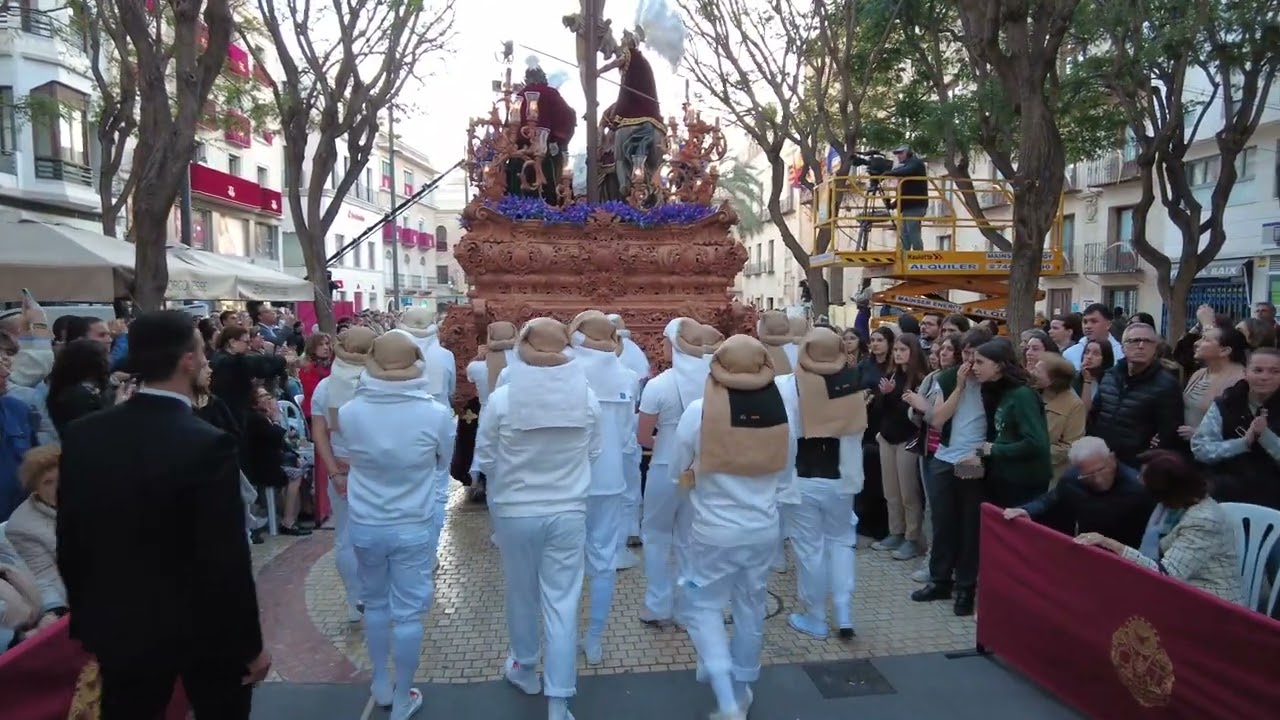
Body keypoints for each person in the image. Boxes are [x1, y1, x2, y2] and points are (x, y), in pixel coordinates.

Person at [57, 310, 269, 719]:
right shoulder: (208, 444)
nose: (208, 361)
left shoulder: (85, 434)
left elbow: (71, 536)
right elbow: (224, 558)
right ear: (187, 361)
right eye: (203, 353)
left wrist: (89, 620)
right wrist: (250, 644)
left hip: (118, 625)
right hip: (203, 631)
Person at [476, 318, 601, 720]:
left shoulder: (503, 399)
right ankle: (559, 700)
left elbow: (487, 458)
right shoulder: (586, 397)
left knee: (521, 593)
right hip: (568, 509)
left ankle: (525, 667)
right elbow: (594, 453)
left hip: (515, 510)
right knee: (563, 603)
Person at [669, 334, 797, 720]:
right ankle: (741, 690)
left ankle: (725, 694)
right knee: (750, 607)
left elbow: (679, 468)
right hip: (762, 527)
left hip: (713, 529)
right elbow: (786, 471)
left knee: (703, 606)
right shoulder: (781, 413)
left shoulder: (698, 411)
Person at [339, 331, 456, 720]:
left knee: (375, 602)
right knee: (407, 613)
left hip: (366, 521)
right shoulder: (436, 414)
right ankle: (404, 695)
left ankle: (380, 682)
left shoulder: (350, 412)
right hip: (412, 522)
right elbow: (442, 464)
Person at [776, 327, 865, 640]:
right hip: (842, 478)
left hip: (802, 480)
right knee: (841, 543)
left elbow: (783, 435)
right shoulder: (851, 384)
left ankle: (815, 616)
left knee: (809, 550)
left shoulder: (787, 386)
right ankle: (844, 612)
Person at [1075, 451, 1246, 606]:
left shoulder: (1203, 520)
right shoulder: (1172, 506)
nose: (1138, 481)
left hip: (1211, 604)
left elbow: (1166, 575)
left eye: (1144, 479)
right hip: (1180, 591)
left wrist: (1112, 545)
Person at [567, 310, 638, 664]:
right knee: (603, 560)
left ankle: (563, 635)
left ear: (577, 335)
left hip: (567, 481)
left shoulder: (563, 370)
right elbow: (626, 436)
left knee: (563, 563)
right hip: (609, 479)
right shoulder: (627, 376)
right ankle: (594, 637)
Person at [911, 327, 993, 615]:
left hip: (972, 461)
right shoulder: (947, 378)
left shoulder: (994, 382)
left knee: (969, 523)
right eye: (967, 353)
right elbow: (937, 420)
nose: (971, 361)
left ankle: (966, 587)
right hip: (944, 459)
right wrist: (958, 387)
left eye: (976, 355)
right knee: (943, 521)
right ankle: (939, 580)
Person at [636, 317, 709, 625]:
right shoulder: (715, 381)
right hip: (702, 468)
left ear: (673, 345)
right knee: (690, 539)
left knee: (655, 536)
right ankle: (688, 606)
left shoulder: (658, 385)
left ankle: (657, 605)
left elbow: (642, 436)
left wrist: (666, 442)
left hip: (665, 467)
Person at [311, 326, 377, 623]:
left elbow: (319, 434)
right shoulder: (378, 383)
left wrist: (334, 471)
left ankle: (355, 598)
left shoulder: (325, 388)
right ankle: (375, 595)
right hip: (375, 469)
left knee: (346, 538)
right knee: (377, 535)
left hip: (342, 468)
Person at [1003, 436, 1153, 550]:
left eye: (1101, 470)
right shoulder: (1073, 479)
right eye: (1089, 475)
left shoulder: (1137, 488)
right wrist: (1027, 510)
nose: (1098, 479)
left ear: (1112, 459)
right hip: (1084, 549)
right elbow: (1051, 499)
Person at [396, 308, 457, 551]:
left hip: (403, 423)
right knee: (438, 487)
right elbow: (451, 389)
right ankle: (429, 547)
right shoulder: (444, 356)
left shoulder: (392, 355)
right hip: (437, 420)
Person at [969, 338, 1053, 508]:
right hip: (999, 475)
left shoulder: (1022, 395)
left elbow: (1036, 443)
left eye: (980, 362)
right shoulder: (996, 390)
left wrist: (993, 449)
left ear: (999, 366)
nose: (974, 368)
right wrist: (980, 454)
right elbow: (999, 434)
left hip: (1023, 482)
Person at [1192, 347, 1280, 509]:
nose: (1265, 377)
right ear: (1246, 373)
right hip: (1224, 491)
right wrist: (1243, 443)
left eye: (1274, 371)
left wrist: (1265, 436)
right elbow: (1200, 449)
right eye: (1258, 370)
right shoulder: (1226, 403)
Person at [1087, 322, 1184, 465]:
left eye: (1148, 341)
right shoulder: (1109, 376)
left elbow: (1169, 432)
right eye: (1135, 341)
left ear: (1155, 348)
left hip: (1137, 463)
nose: (1141, 346)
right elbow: (1095, 414)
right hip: (1103, 457)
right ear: (1123, 347)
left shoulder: (1166, 385)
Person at [5, 444, 67, 615]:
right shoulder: (22, 528)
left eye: (63, 479)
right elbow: (49, 581)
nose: (58, 488)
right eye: (48, 482)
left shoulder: (95, 496)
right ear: (35, 489)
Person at [1032, 353, 1086, 484]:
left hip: (1051, 474)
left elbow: (1070, 446)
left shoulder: (1074, 405)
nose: (1032, 373)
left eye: (1038, 371)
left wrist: (1031, 452)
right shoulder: (1031, 394)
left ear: (1052, 379)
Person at [881, 145, 928, 251]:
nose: (898, 156)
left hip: (916, 205)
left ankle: (918, 255)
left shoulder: (916, 164)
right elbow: (905, 192)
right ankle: (904, 255)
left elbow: (906, 171)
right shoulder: (905, 166)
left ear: (908, 152)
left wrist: (889, 173)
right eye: (897, 154)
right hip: (907, 206)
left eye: (901, 153)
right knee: (904, 233)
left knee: (912, 230)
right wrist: (893, 204)